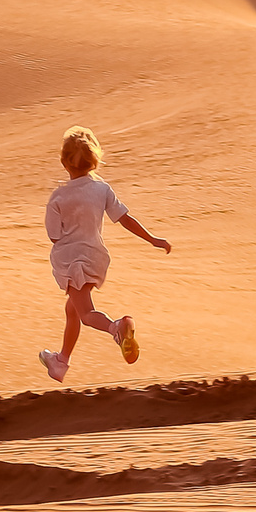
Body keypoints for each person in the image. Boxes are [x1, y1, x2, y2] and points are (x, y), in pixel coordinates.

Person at [38, 125, 169, 382]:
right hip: (96, 258)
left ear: (64, 163)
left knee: (86, 314)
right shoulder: (102, 189)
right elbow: (124, 218)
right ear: (95, 161)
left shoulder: (58, 198)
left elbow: (53, 236)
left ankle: (116, 328)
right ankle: (61, 361)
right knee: (73, 310)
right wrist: (152, 239)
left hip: (72, 262)